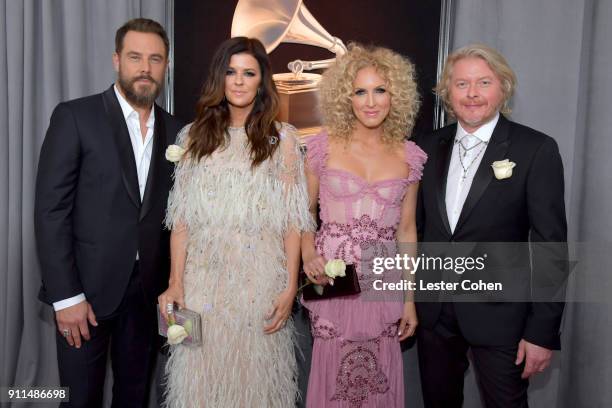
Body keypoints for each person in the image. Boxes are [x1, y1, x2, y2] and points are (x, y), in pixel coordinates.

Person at [34, 18, 183, 407]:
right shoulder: (75, 117)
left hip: (147, 295)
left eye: (155, 59)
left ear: (165, 65)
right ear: (117, 60)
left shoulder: (179, 131)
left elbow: (179, 217)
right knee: (80, 398)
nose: (145, 68)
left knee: (134, 397)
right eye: (135, 57)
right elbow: (51, 212)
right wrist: (66, 298)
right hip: (85, 294)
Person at [158, 36, 313, 407]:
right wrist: (175, 282)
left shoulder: (283, 141)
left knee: (255, 382)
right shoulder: (192, 138)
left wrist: (290, 285)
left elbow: (293, 222)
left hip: (259, 282)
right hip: (203, 284)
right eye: (231, 72)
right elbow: (181, 221)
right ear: (219, 79)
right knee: (200, 381)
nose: (239, 81)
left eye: (249, 73)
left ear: (262, 82)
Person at [415, 44, 567, 407]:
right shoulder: (425, 147)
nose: (472, 94)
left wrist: (542, 332)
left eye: (484, 82)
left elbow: (550, 246)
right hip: (434, 313)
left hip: (501, 316)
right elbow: (417, 231)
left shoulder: (536, 149)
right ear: (447, 92)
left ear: (503, 87)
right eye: (461, 83)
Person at [300, 44, 426, 408]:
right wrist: (309, 253)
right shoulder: (322, 147)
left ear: (395, 96)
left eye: (380, 90)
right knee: (332, 368)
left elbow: (406, 230)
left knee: (379, 375)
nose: (370, 102)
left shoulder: (410, 155)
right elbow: (302, 211)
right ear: (346, 97)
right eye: (360, 91)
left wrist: (409, 299)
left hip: (382, 276)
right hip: (330, 274)